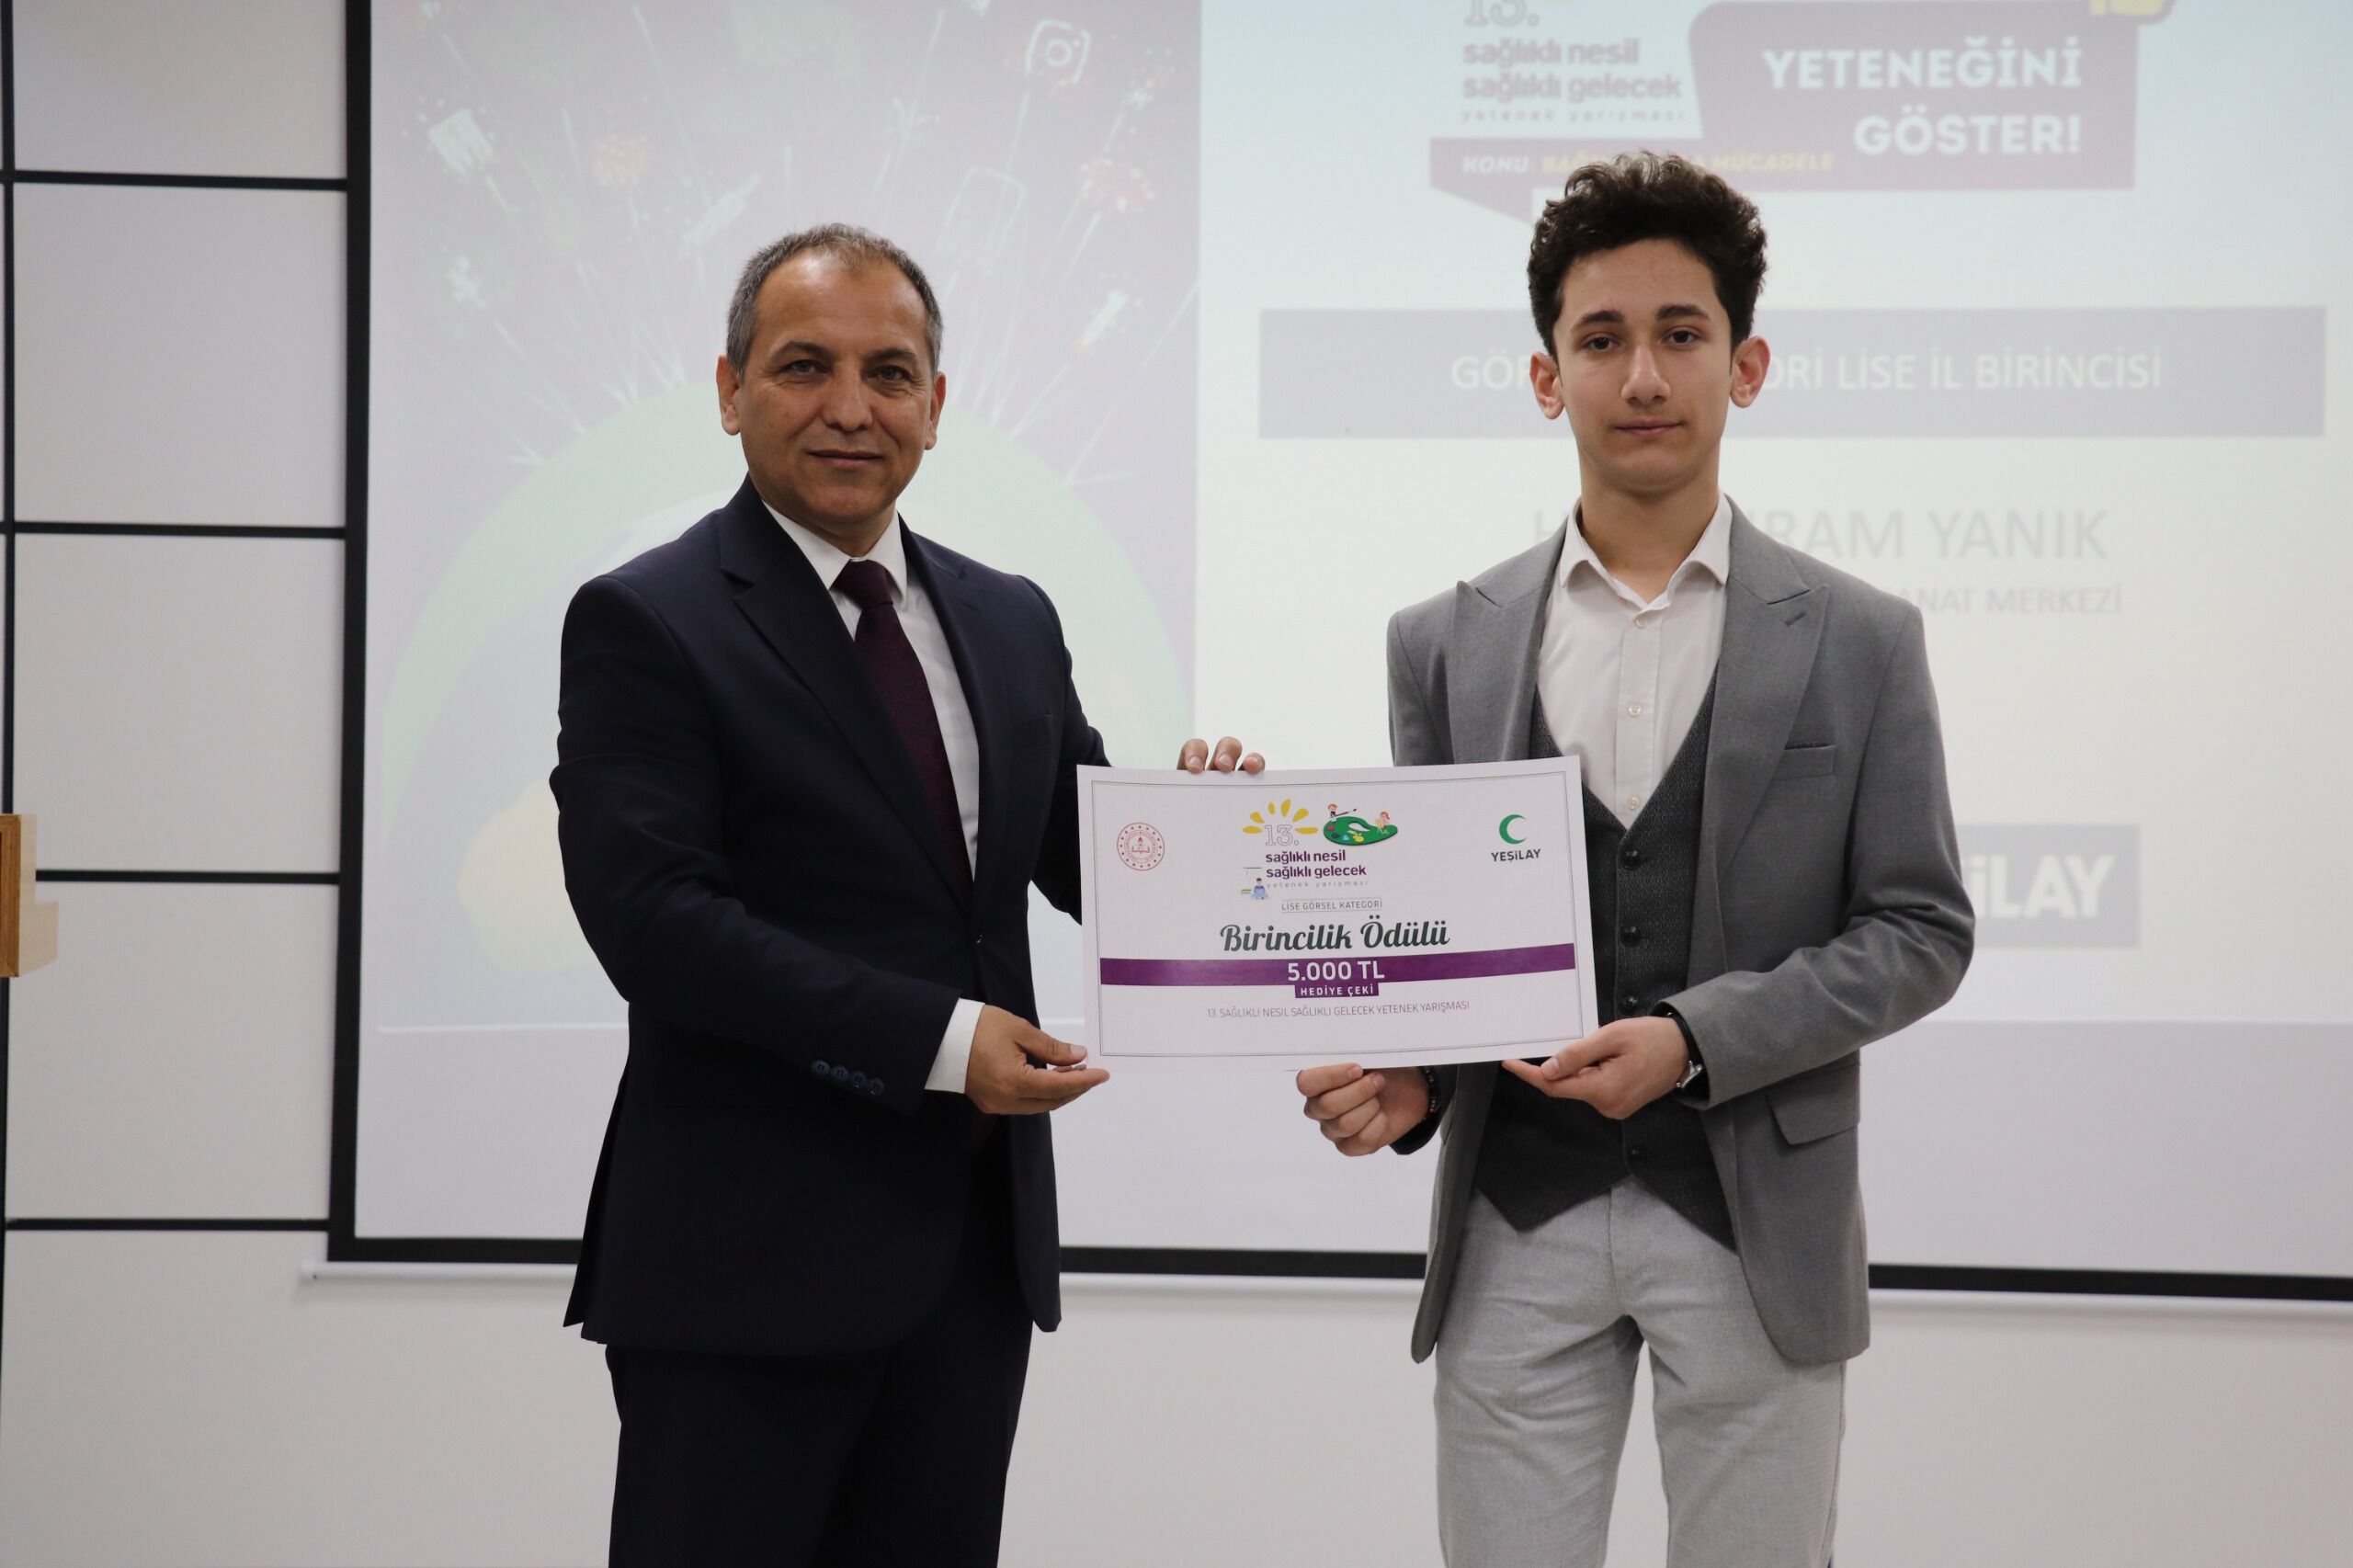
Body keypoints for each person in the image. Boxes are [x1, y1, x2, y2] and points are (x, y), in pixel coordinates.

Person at [1296, 153, 1973, 1565]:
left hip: (1754, 1219)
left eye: (1681, 333)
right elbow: (1439, 940)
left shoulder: (1862, 638)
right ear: (1548, 377)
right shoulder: (1442, 642)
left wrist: (1695, 1039)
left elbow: (1921, 927)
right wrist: (1415, 1079)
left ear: (1747, 363)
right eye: (1602, 340)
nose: (1644, 375)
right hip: (1513, 1215)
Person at [552, 222, 1258, 1566]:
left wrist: (1212, 850)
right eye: (803, 366)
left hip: (968, 1267)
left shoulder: (1010, 616)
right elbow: (655, 924)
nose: (850, 406)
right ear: (729, 391)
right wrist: (942, 1041)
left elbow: (1080, 857)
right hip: (742, 1268)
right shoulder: (648, 619)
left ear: (936, 402)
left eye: (889, 372)